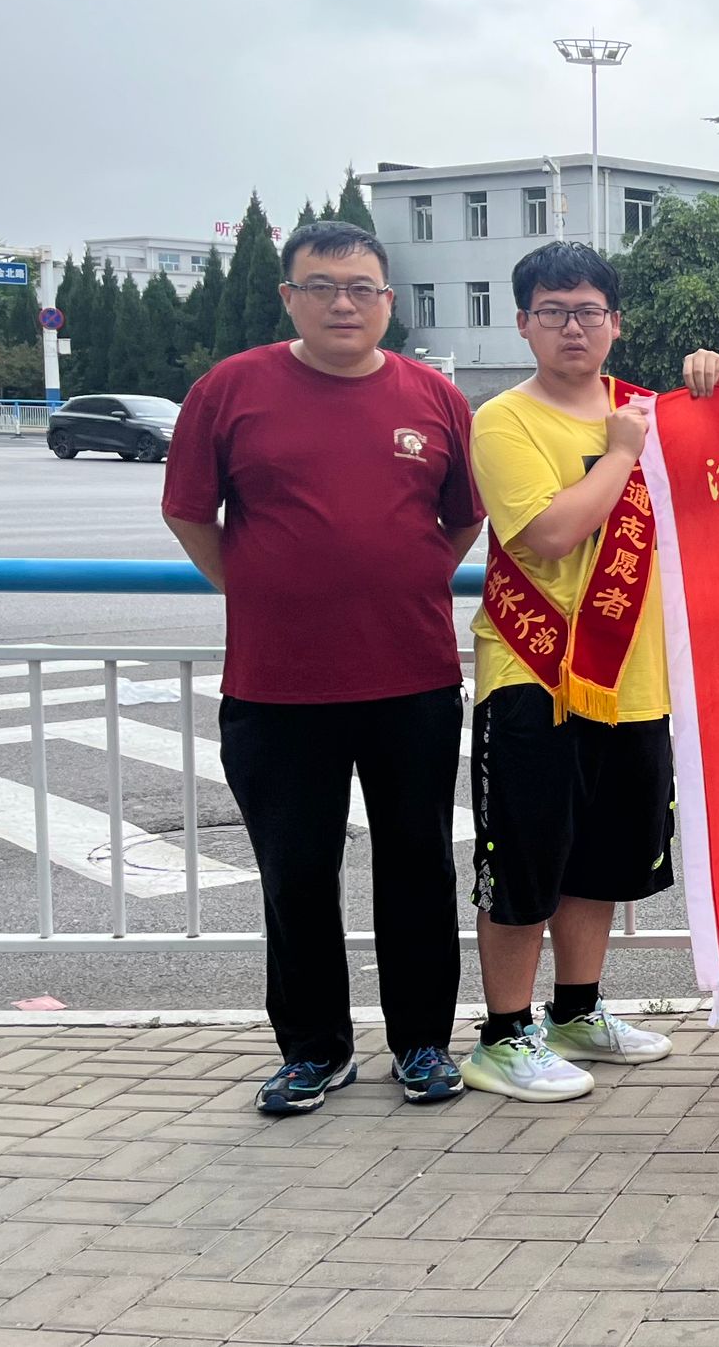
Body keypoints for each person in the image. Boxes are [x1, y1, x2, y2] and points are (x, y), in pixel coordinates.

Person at [161, 221, 482, 1115]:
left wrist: (402, 576)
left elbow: (462, 519)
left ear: (388, 300)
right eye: (322, 286)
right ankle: (314, 1050)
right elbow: (187, 512)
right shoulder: (231, 389)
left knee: (419, 866)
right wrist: (258, 585)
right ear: (289, 297)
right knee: (295, 872)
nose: (344, 303)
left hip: (412, 677)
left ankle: (421, 1043)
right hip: (277, 684)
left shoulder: (433, 397)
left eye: (362, 288)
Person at [462, 239, 719, 1102]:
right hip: (533, 677)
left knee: (599, 862)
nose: (572, 327)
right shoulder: (504, 420)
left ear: (616, 323)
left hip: (635, 683)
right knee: (525, 866)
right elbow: (548, 534)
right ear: (523, 324)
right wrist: (621, 454)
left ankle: (577, 1012)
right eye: (552, 311)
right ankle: (504, 1037)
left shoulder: (650, 413)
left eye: (588, 310)